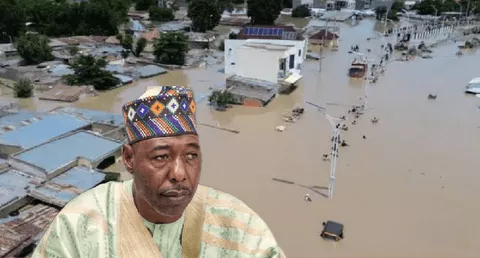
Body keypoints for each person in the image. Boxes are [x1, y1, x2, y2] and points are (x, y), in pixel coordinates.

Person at [32, 86, 285, 258]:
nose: (179, 173)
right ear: (129, 159)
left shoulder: (239, 224)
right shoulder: (79, 225)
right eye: (161, 156)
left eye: (191, 155)